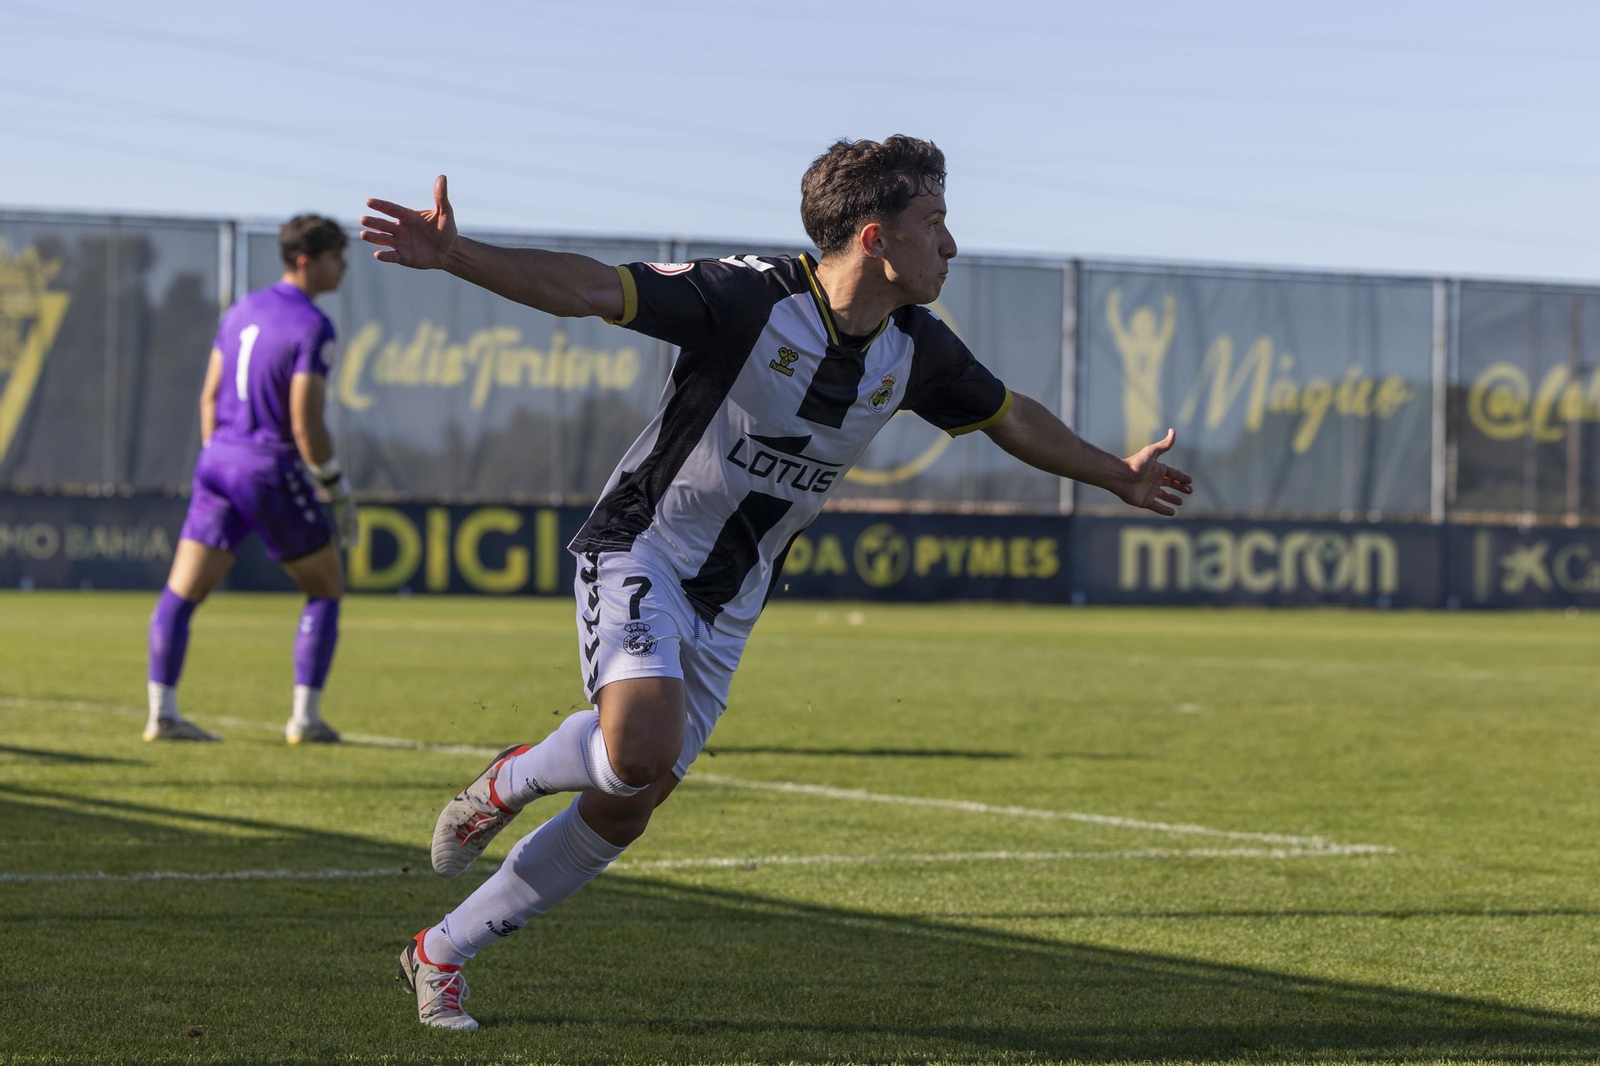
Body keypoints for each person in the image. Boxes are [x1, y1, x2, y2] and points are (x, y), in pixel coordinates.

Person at [361, 136, 1193, 1030]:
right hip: (643, 547)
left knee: (625, 810)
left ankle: (441, 949)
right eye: (936, 224)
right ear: (876, 237)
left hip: (733, 597)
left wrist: (1115, 473)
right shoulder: (746, 296)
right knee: (636, 749)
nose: (951, 245)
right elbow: (593, 289)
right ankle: (510, 781)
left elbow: (1011, 417)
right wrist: (455, 255)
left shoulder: (917, 351)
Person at [144, 215, 358, 745]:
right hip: (269, 469)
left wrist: (220, 458)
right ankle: (305, 720)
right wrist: (335, 486)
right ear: (307, 260)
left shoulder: (241, 309)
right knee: (326, 586)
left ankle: (161, 715)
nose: (345, 266)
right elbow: (306, 425)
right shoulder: (312, 325)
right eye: (337, 256)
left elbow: (208, 397)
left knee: (182, 592)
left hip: (218, 459)